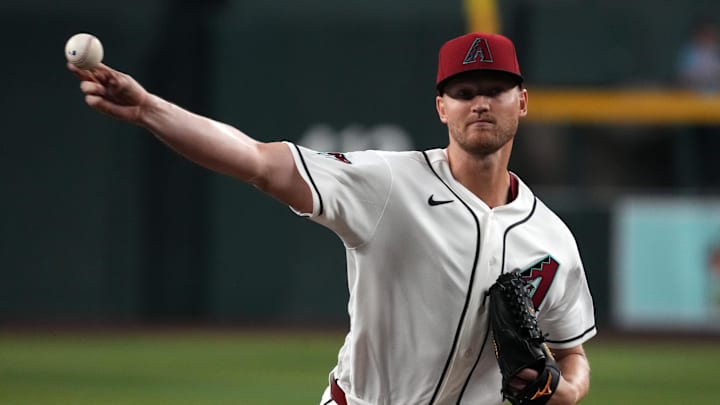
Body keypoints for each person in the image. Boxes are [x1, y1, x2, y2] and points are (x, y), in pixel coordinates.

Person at [68, 32, 596, 405]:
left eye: (495, 89)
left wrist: (565, 389)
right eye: (463, 92)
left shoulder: (552, 239)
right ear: (441, 107)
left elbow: (572, 354)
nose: (479, 102)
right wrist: (147, 109)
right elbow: (256, 160)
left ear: (522, 101)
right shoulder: (389, 183)